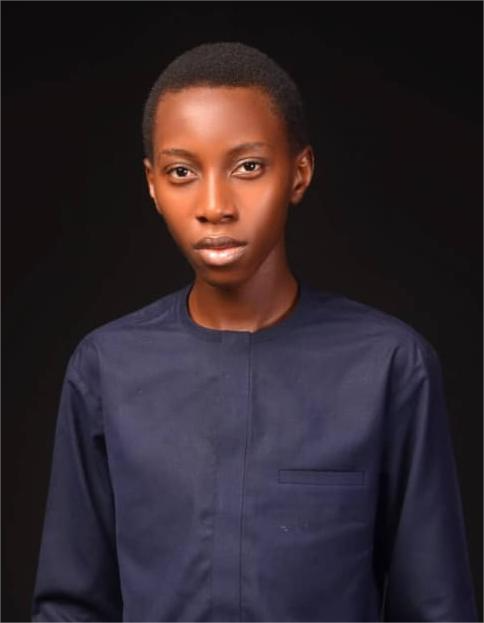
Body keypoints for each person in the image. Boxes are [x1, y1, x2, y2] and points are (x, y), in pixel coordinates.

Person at [31, 41, 479, 622]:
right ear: (152, 184)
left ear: (300, 172)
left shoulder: (390, 366)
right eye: (182, 172)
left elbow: (436, 608)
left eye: (247, 167)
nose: (215, 205)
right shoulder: (105, 368)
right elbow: (71, 608)